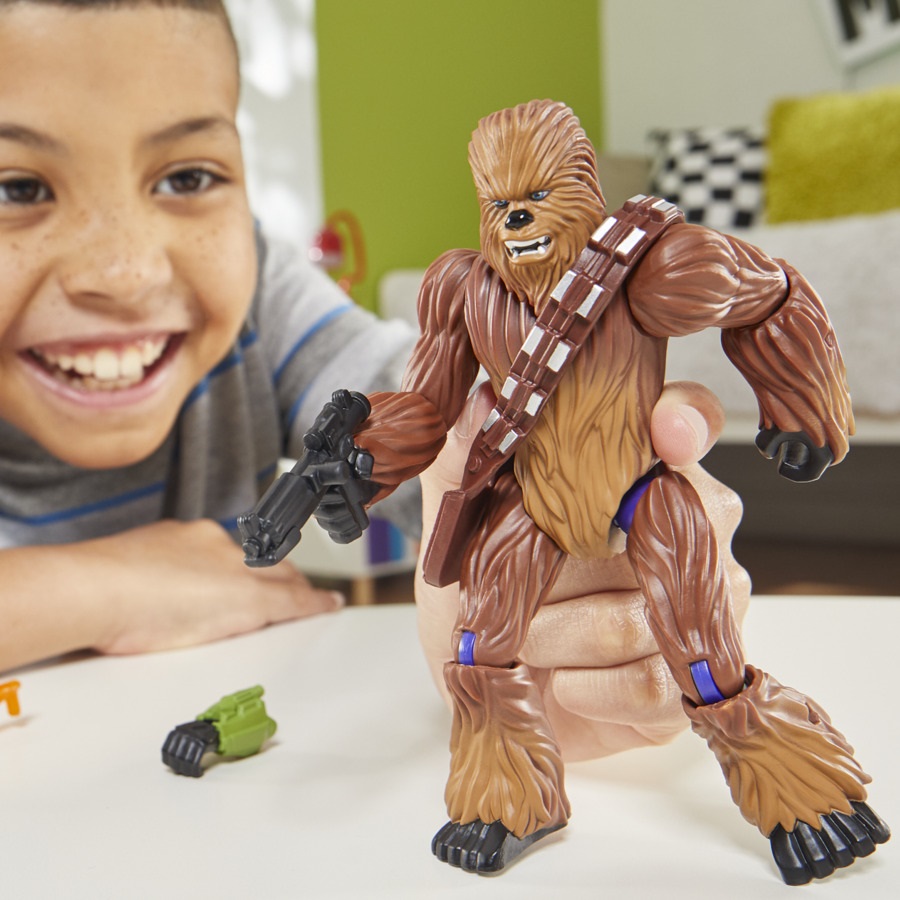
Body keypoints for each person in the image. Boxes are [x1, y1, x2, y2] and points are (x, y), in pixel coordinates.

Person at [0, 0, 743, 765]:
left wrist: (580, 553)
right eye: (14, 189)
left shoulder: (257, 296)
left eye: (189, 176)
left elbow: (411, 396)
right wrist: (96, 587)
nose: (126, 274)